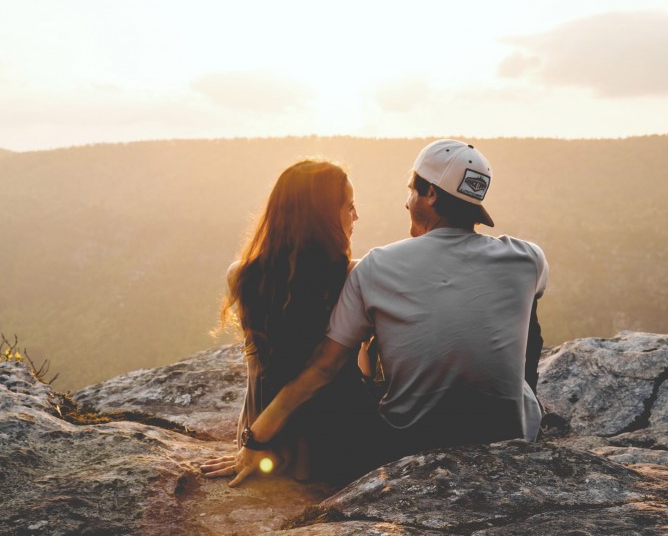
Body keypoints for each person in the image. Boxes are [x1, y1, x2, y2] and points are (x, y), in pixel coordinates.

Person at [214, 139, 549, 487]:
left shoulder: (376, 267)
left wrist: (257, 436)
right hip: (510, 435)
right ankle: (515, 403)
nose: (406, 201)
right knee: (528, 302)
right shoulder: (528, 258)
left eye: (411, 190)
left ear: (430, 194)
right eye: (350, 206)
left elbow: (323, 367)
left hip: (406, 441)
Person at [200, 159, 375, 483]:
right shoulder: (355, 276)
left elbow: (259, 372)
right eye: (349, 206)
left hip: (267, 442)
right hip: (338, 441)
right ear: (322, 217)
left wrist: (252, 440)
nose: (356, 216)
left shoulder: (241, 275)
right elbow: (324, 371)